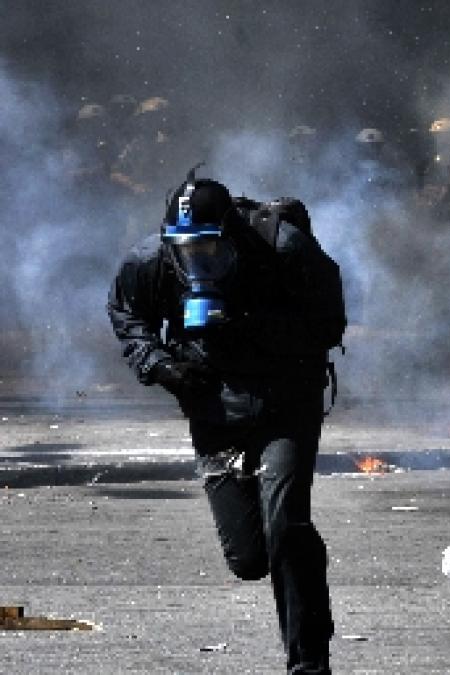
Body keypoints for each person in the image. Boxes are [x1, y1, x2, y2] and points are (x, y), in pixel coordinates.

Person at [107, 168, 346, 674]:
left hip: (285, 403)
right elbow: (127, 318)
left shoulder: (281, 247)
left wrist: (251, 327)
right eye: (187, 250)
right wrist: (162, 366)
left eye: (209, 249)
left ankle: (309, 660)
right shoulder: (152, 262)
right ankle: (298, 571)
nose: (199, 262)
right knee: (248, 559)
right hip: (215, 411)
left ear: (231, 237)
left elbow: (329, 321)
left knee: (285, 524)